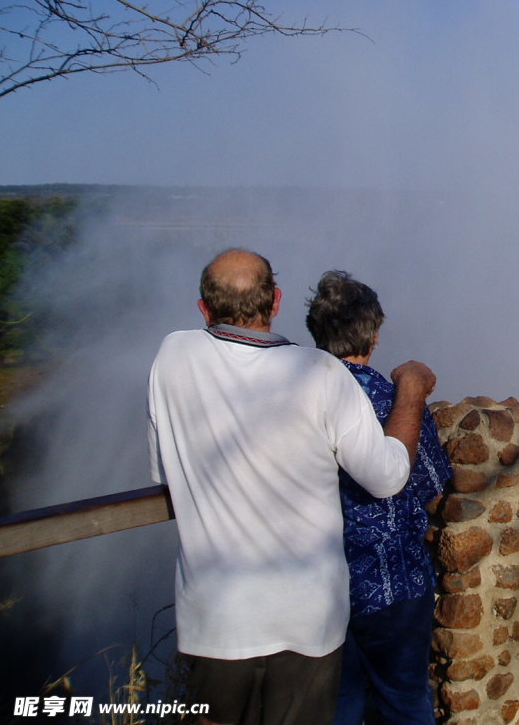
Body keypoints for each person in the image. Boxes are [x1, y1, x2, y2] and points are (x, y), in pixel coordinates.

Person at [148, 249, 437, 725]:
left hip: (216, 614)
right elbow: (388, 477)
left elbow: (167, 470)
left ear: (203, 308)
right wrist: (410, 391)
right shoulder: (321, 375)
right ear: (276, 301)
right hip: (308, 616)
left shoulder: (172, 356)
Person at [305, 270, 452, 725]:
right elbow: (429, 481)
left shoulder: (294, 399)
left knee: (337, 706)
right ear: (374, 335)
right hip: (396, 585)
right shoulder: (393, 398)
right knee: (406, 702)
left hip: (318, 585)